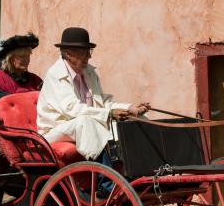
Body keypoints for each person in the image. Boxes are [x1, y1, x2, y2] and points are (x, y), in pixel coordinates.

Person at [37, 27, 149, 160]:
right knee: (86, 122)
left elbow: (102, 102)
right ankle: (105, 176)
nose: (89, 56)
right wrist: (108, 114)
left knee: (135, 120)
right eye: (84, 51)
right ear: (68, 54)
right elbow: (72, 110)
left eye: (89, 51)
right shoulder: (56, 74)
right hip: (56, 129)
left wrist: (129, 109)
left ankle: (139, 167)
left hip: (86, 123)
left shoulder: (89, 72)